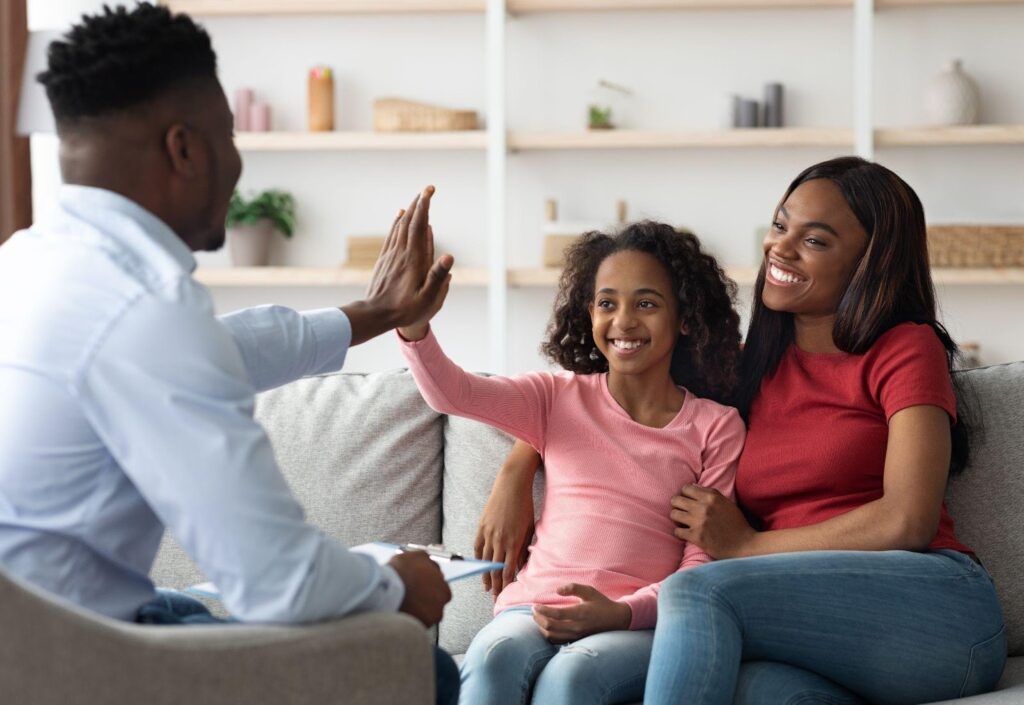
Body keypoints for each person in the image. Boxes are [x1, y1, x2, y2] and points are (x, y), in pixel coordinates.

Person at [0, 5, 458, 703]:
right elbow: (282, 582)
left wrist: (375, 314)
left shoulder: (27, 264)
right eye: (231, 135)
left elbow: (220, 349)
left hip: (39, 629)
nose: (238, 162)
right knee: (421, 663)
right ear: (185, 149)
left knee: (185, 607)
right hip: (70, 663)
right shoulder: (144, 309)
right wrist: (398, 583)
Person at [480, 156, 1008, 705]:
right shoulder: (745, 365)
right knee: (754, 690)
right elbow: (604, 397)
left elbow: (909, 519)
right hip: (809, 622)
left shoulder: (905, 347)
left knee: (694, 592)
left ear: (871, 261)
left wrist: (747, 545)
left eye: (815, 240)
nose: (780, 247)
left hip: (935, 610)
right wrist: (518, 466)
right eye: (780, 226)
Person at [396, 221, 747, 704]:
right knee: (494, 654)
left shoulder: (716, 426)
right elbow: (452, 394)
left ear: (685, 317)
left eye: (646, 303)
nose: (624, 321)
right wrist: (414, 326)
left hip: (635, 623)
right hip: (532, 608)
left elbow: (701, 562)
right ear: (589, 313)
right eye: (607, 303)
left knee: (573, 675)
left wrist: (623, 613)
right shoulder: (555, 397)